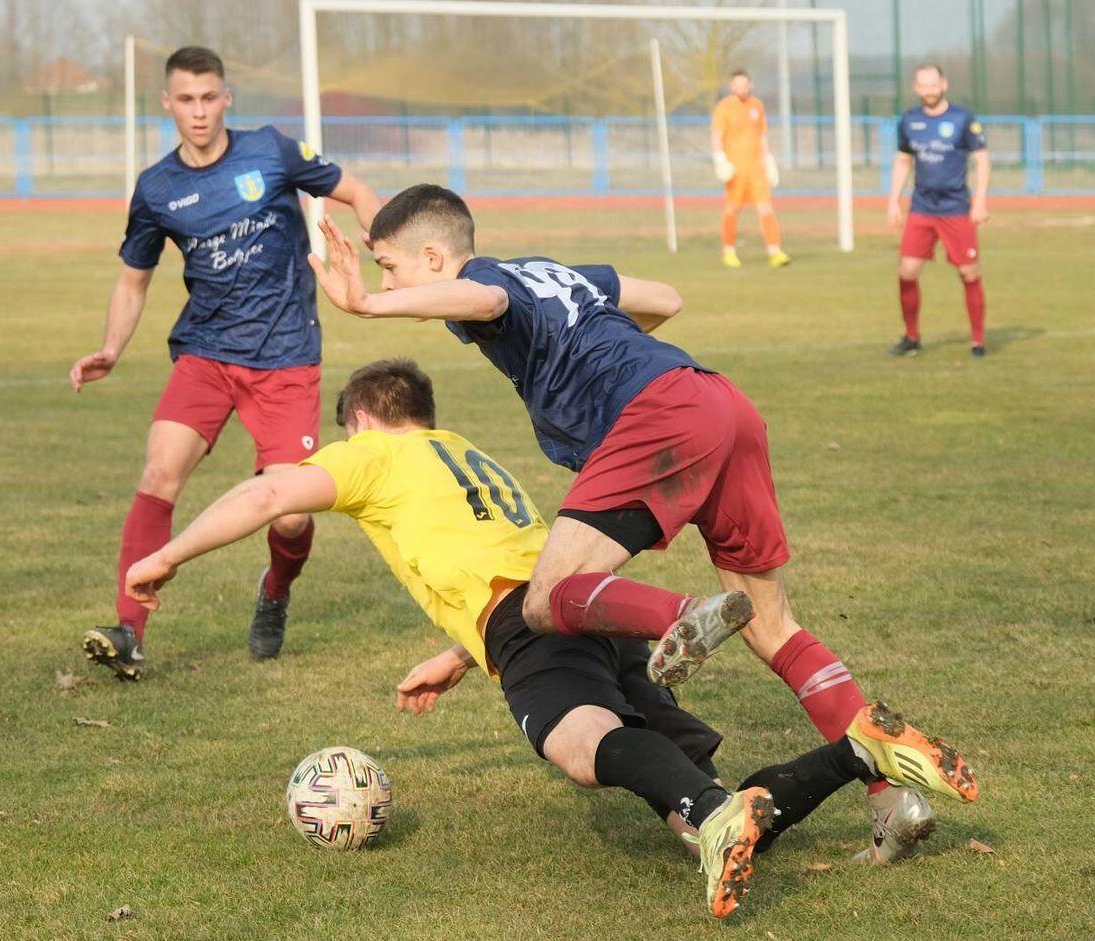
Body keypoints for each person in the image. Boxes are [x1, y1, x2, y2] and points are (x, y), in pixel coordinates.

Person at [123, 359, 980, 919]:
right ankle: (860, 751)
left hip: (528, 632)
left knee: (580, 745)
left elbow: (267, 493)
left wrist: (166, 554)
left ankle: (721, 794)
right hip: (578, 612)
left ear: (363, 420)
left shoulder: (373, 456)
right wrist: (457, 655)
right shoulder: (464, 453)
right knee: (702, 812)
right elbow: (522, 563)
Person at [306, 184, 949, 864]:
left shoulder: (487, 282)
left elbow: (484, 299)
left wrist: (366, 305)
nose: (386, 282)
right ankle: (892, 797)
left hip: (658, 413)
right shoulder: (555, 275)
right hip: (719, 400)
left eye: (389, 267)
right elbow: (665, 299)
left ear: (434, 257)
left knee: (548, 598)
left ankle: (687, 614)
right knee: (773, 625)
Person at [69, 45, 381, 681]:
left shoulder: (270, 151)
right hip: (206, 354)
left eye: (209, 98)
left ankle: (276, 589)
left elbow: (356, 190)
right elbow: (132, 281)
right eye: (186, 99)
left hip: (286, 356)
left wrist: (384, 247)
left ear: (226, 98)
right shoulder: (157, 188)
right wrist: (111, 349)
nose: (199, 111)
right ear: (168, 103)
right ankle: (128, 632)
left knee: (291, 514)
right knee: (159, 472)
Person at [887, 64, 991, 357]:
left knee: (968, 272)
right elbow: (903, 161)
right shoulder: (909, 120)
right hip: (922, 207)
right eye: (924, 86)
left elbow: (982, 160)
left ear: (944, 85)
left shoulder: (963, 118)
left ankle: (977, 340)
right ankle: (911, 337)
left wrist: (980, 202)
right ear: (916, 87)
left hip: (956, 208)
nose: (929, 91)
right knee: (907, 270)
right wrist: (893, 200)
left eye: (934, 85)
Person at [711, 69, 789, 269]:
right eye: (737, 85)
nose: (741, 88)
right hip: (735, 170)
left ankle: (775, 251)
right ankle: (729, 251)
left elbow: (761, 135)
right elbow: (717, 135)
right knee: (732, 209)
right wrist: (719, 158)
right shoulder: (724, 107)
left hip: (756, 169)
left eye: (744, 84)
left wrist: (768, 159)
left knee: (766, 208)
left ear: (750, 84)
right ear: (731, 86)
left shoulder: (757, 106)